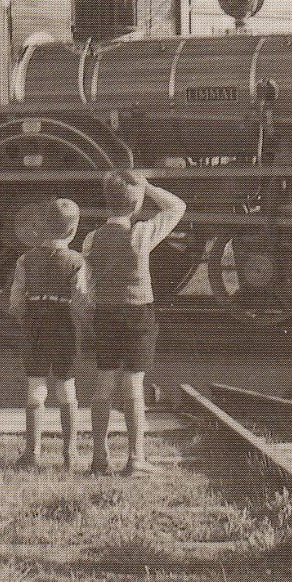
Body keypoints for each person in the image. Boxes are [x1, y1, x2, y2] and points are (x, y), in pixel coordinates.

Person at [81, 171, 186, 476]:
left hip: (105, 313)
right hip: (139, 313)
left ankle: (99, 458)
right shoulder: (141, 234)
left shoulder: (91, 239)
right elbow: (177, 207)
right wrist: (149, 186)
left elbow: (87, 283)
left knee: (104, 384)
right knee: (134, 386)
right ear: (137, 202)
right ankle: (135, 458)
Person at [7, 198, 89, 470]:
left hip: (35, 326)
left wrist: (26, 318)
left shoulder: (24, 260)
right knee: (67, 388)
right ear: (73, 230)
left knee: (35, 388)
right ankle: (70, 452)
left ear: (41, 227)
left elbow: (16, 302)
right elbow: (82, 299)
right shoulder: (78, 261)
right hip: (65, 326)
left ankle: (32, 452)